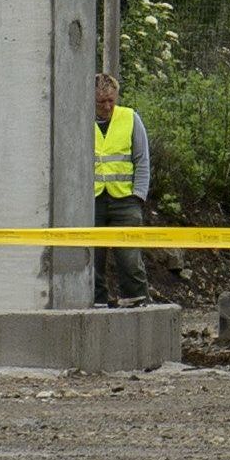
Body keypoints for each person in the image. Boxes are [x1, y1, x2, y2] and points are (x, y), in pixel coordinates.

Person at [90, 74, 153, 306]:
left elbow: (142, 159)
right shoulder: (81, 121)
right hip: (93, 200)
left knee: (129, 259)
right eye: (101, 102)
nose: (107, 106)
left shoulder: (130, 118)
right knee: (93, 259)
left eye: (111, 101)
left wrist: (139, 194)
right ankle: (97, 302)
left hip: (125, 199)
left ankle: (137, 301)